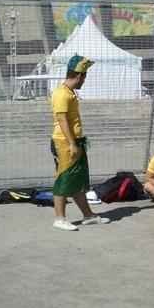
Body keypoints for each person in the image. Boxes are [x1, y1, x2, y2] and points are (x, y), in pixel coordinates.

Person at [49, 55, 108, 231]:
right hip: (64, 143)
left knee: (77, 180)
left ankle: (88, 215)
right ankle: (59, 218)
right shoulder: (61, 93)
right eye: (84, 76)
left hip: (75, 141)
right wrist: (72, 144)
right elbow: (62, 120)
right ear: (79, 75)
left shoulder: (69, 92)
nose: (84, 81)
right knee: (64, 179)